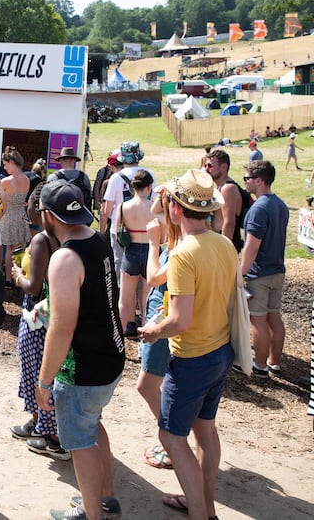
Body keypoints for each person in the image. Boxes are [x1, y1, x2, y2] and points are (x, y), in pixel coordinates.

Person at [139, 169, 236, 520]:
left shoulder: (182, 255)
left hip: (193, 356)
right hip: (220, 351)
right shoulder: (224, 243)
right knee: (205, 432)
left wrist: (152, 331)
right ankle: (204, 506)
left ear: (177, 210)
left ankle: (200, 512)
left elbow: (180, 320)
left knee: (171, 438)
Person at [35, 179, 125, 520]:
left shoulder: (64, 258)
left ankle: (92, 515)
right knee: (93, 425)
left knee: (80, 442)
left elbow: (62, 328)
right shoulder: (98, 242)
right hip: (110, 357)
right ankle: (105, 498)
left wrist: (44, 381)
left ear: (48, 215)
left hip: (83, 368)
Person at [9, 182, 70, 462]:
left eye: (30, 208)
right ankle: (40, 424)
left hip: (38, 314)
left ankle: (54, 437)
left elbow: (33, 286)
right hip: (54, 311)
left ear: (40, 210)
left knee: (37, 370)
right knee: (41, 371)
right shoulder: (66, 238)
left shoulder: (41, 240)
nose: (27, 213)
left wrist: (16, 275)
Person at [138, 188, 181, 471]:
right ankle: (171, 440)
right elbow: (154, 210)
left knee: (147, 387)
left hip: (163, 325)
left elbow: (153, 278)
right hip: (161, 320)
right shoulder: (178, 240)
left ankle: (171, 444)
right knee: (160, 386)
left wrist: (153, 245)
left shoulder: (177, 248)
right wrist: (165, 192)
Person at [241, 160, 289, 377]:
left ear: (259, 180)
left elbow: (251, 247)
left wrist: (241, 273)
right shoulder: (280, 204)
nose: (245, 183)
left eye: (247, 178)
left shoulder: (259, 208)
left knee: (258, 320)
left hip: (259, 274)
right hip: (278, 271)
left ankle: (259, 366)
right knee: (274, 318)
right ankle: (274, 362)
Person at [100, 141, 152, 280]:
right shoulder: (149, 174)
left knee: (120, 266)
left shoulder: (116, 178)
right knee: (145, 270)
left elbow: (107, 209)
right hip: (145, 227)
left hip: (121, 229)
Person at [118, 170, 155, 338]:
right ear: (149, 186)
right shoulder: (154, 206)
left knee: (126, 296)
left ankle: (128, 326)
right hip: (150, 249)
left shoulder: (124, 206)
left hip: (131, 249)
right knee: (148, 295)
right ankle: (147, 327)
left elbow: (118, 230)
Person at [204, 149, 247, 252]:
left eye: (210, 166)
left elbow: (229, 223)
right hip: (218, 241)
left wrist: (222, 250)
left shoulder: (228, 189)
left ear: (223, 167)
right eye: (206, 165)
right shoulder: (220, 187)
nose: (206, 169)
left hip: (226, 245)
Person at [0, 148, 31, 285]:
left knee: (8, 250)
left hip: (9, 216)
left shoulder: (5, 181)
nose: (5, 167)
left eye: (6, 164)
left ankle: (7, 278)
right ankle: (21, 277)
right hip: (21, 216)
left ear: (12, 162)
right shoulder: (27, 179)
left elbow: (2, 203)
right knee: (21, 249)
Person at [48, 146, 93, 211]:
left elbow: (47, 198)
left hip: (59, 214)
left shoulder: (53, 177)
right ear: (74, 160)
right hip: (80, 212)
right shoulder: (84, 177)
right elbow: (89, 195)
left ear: (60, 160)